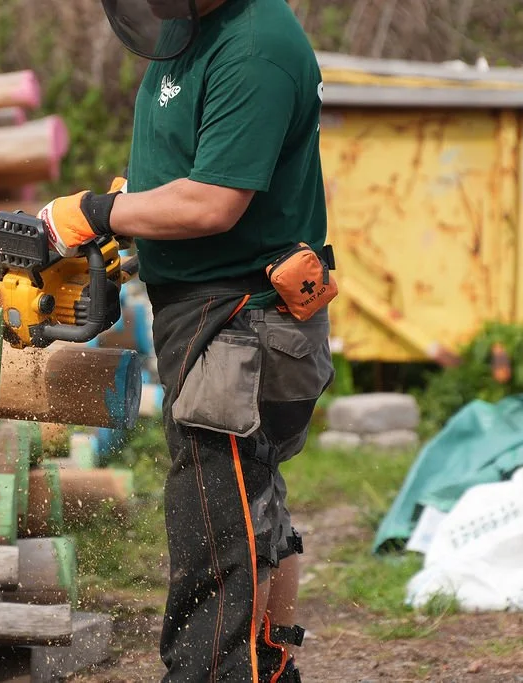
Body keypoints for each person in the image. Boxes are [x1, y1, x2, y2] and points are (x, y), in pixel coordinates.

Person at [37, 1, 336, 680]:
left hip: (244, 321)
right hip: (211, 315)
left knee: (216, 531)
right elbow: (182, 160)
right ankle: (269, 665)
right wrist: (130, 209)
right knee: (249, 507)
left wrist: (95, 213)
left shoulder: (255, 44)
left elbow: (212, 201)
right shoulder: (189, 27)